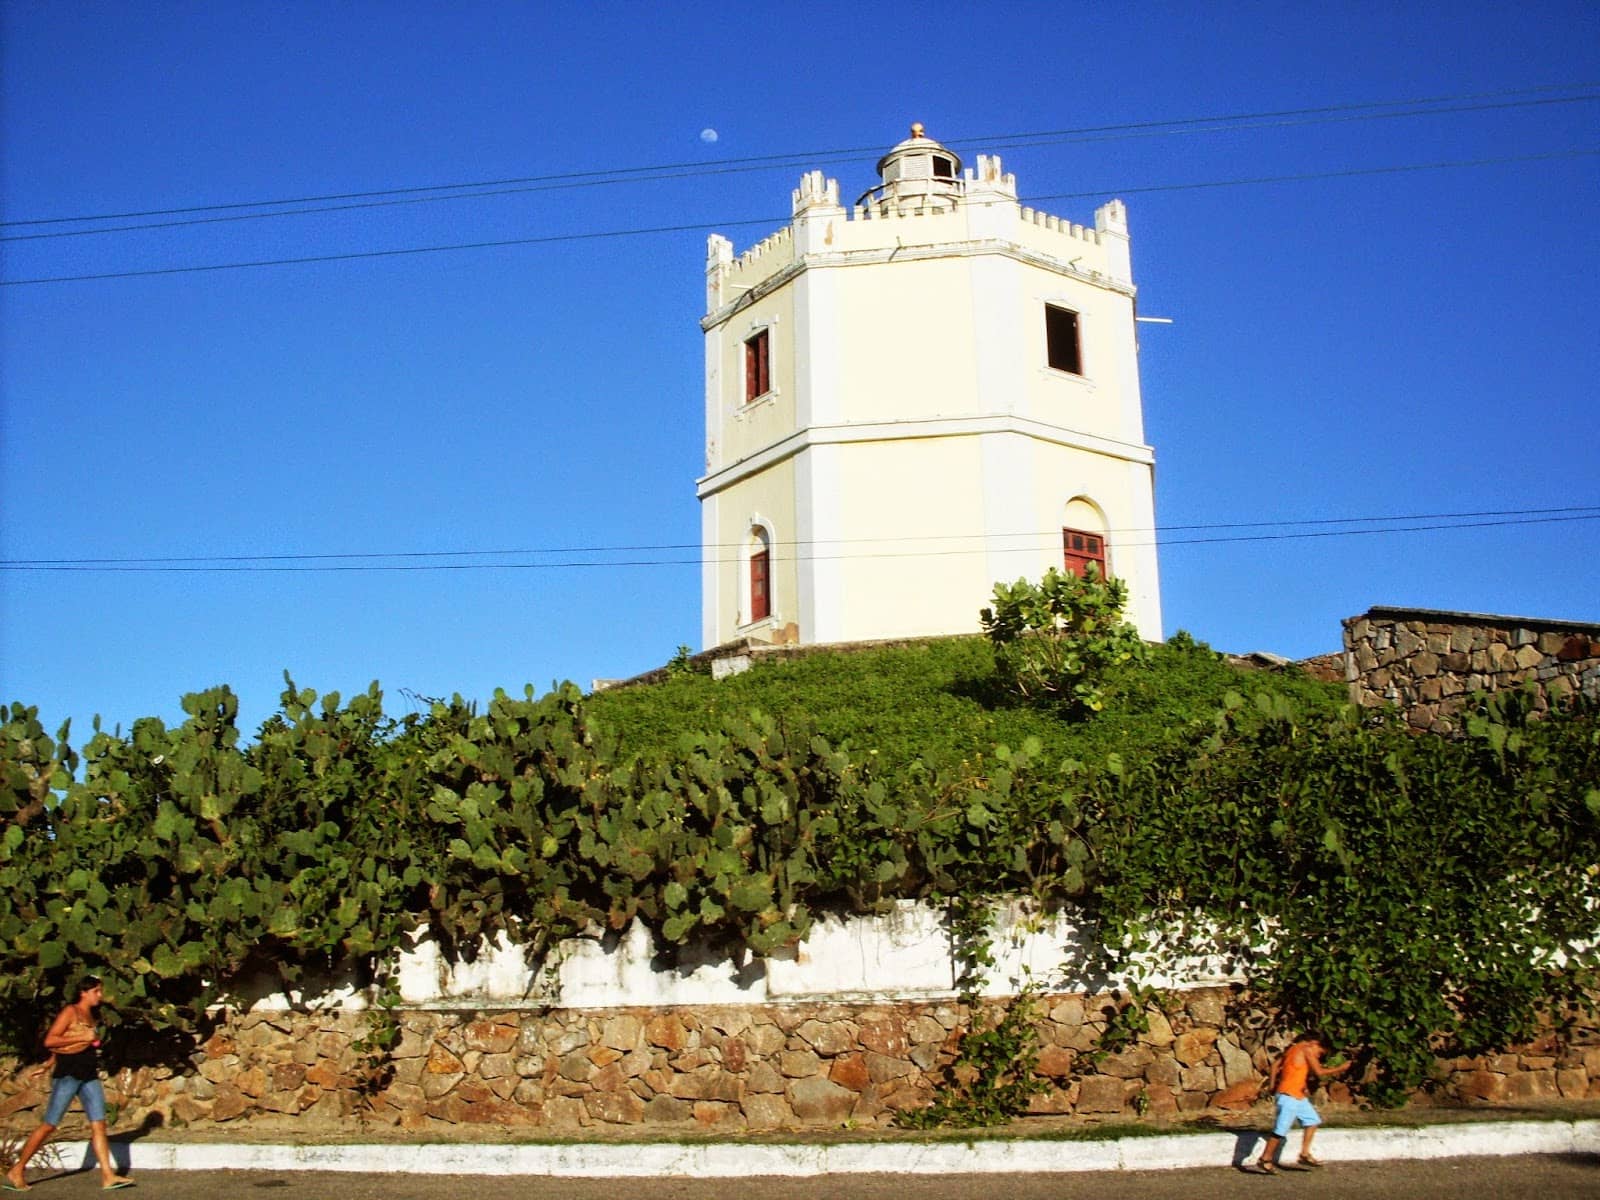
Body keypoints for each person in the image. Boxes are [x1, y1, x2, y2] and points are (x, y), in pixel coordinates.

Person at [4, 975, 135, 1192]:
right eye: (96, 991)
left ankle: (108, 1175)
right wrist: (81, 1040)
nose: (100, 996)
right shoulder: (70, 1012)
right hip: (68, 1075)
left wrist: (50, 1062)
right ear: (84, 992)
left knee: (99, 1124)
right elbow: (51, 1040)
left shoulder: (91, 1015)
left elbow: (66, 1047)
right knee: (49, 1124)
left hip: (88, 1074)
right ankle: (17, 1169)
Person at [1242, 1029, 1351, 1175]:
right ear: (1314, 1043)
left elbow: (1275, 1066)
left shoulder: (1292, 1049)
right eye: (1320, 1052)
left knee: (1312, 1121)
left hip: (1297, 1096)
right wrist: (1341, 1068)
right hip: (1289, 1096)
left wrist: (1273, 1085)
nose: (1319, 1055)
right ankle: (1265, 1158)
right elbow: (1319, 1072)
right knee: (1280, 1130)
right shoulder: (1306, 1049)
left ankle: (1304, 1154)